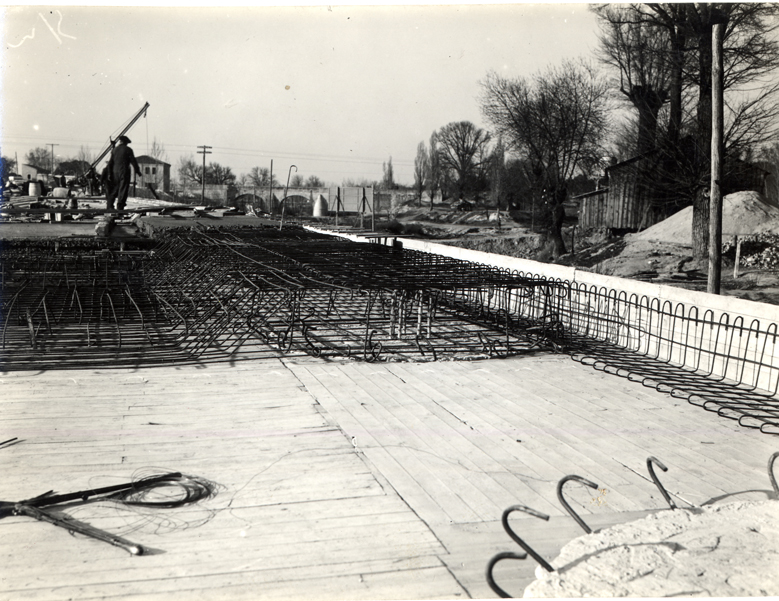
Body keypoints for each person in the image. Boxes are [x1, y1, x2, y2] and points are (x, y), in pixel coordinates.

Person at [109, 135, 141, 211]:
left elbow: (111, 162)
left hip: (114, 172)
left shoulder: (114, 150)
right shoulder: (128, 150)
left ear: (120, 141)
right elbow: (133, 161)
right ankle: (120, 207)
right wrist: (137, 171)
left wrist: (110, 174)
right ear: (126, 142)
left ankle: (110, 205)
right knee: (123, 189)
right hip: (124, 172)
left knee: (115, 189)